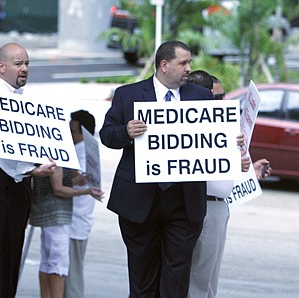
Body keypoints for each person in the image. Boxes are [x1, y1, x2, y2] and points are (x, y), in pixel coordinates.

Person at [99, 40, 214, 297]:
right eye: (183, 63)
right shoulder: (127, 95)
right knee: (142, 279)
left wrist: (231, 142)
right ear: (164, 65)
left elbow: (215, 139)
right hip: (140, 202)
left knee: (176, 280)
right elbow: (107, 135)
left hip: (184, 202)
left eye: (189, 62)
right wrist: (126, 132)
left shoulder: (201, 96)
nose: (189, 68)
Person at [0, 42, 57, 297]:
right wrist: (33, 170)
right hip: (1, 182)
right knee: (0, 256)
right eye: (18, 64)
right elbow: (4, 152)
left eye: (27, 63)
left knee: (10, 256)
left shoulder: (15, 98)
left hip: (13, 183)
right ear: (1, 67)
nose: (24, 69)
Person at [188, 72, 272, 298]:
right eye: (219, 97)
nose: (225, 102)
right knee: (198, 279)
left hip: (219, 207)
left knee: (209, 280)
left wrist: (250, 170)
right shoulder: (194, 128)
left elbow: (222, 173)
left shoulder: (222, 127)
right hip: (204, 207)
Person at [30, 161, 103, 298]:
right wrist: (86, 191)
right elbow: (58, 188)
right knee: (58, 265)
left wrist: (76, 181)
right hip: (58, 214)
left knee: (46, 262)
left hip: (46, 211)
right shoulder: (58, 151)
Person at [64, 109, 99, 298]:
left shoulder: (83, 153)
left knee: (72, 274)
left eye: (72, 131)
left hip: (75, 222)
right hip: (73, 220)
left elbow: (75, 177)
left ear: (82, 132)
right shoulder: (82, 151)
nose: (68, 135)